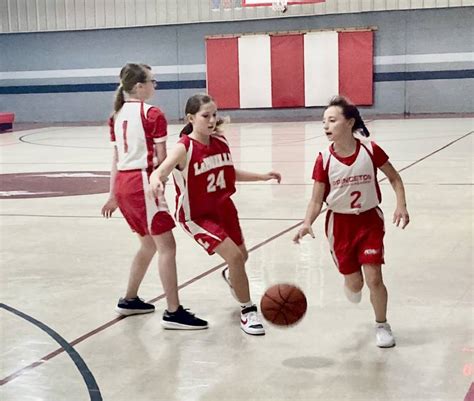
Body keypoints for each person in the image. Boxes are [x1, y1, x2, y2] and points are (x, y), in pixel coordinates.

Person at [148, 93, 281, 336]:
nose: (211, 120)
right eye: (205, 116)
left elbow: (229, 172)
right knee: (235, 258)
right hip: (197, 215)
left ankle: (233, 278)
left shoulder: (220, 142)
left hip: (224, 209)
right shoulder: (183, 147)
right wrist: (156, 181)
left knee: (241, 256)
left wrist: (262, 176)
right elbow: (160, 170)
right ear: (191, 117)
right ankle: (247, 311)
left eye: (214, 115)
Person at [293, 96, 409, 348]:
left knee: (374, 277)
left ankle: (382, 324)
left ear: (349, 122)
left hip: (369, 221)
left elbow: (395, 178)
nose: (326, 126)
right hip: (340, 226)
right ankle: (351, 282)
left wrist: (401, 205)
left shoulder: (370, 149)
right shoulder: (324, 158)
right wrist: (306, 222)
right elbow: (316, 200)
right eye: (324, 121)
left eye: (332, 120)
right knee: (355, 283)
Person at [101, 63, 207, 330]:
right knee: (167, 247)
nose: (155, 85)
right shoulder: (152, 114)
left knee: (148, 245)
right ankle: (173, 312)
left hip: (126, 185)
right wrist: (166, 178)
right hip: (143, 183)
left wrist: (113, 193)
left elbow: (115, 159)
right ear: (139, 86)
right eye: (152, 81)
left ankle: (129, 299)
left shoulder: (115, 116)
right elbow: (162, 159)